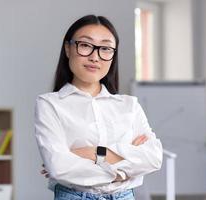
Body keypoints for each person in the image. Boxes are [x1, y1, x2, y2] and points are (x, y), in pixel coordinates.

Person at [34, 14, 163, 200]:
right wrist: (122, 170)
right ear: (68, 49)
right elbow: (59, 167)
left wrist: (96, 153)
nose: (95, 57)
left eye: (105, 48)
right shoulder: (49, 104)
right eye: (85, 45)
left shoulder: (129, 105)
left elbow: (153, 157)